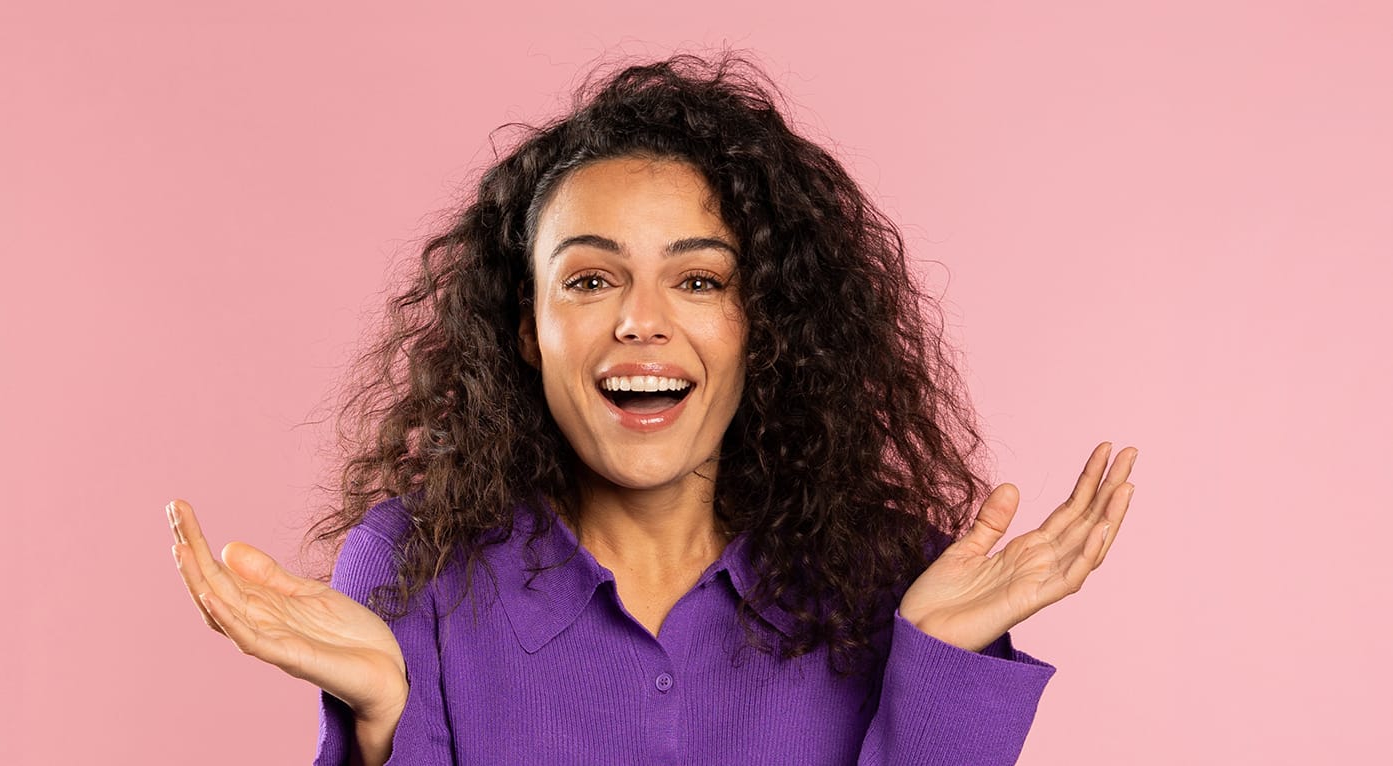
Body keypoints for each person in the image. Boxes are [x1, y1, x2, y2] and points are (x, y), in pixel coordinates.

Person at [165, 52, 1137, 766]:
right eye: (589, 279)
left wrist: (938, 678)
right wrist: (386, 721)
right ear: (524, 328)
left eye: (699, 281)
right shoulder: (412, 570)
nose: (640, 322)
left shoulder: (896, 581)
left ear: (765, 323)